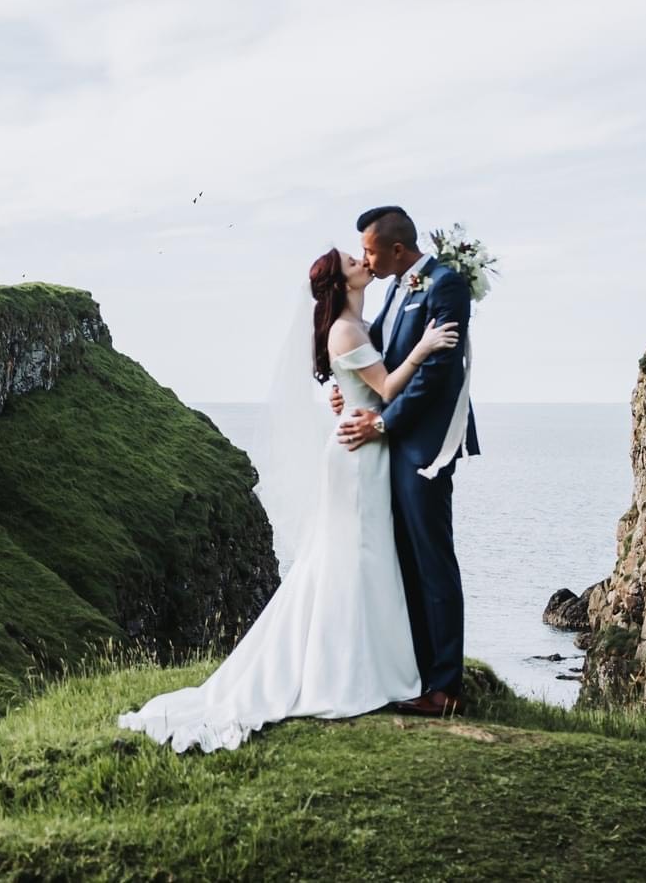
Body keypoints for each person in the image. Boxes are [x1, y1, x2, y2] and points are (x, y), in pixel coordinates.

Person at [115, 245, 458, 752]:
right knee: (353, 557)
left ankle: (368, 664)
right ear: (341, 284)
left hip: (363, 448)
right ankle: (348, 673)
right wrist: (425, 347)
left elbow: (360, 385)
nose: (364, 263)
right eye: (352, 262)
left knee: (361, 557)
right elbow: (385, 387)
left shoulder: (357, 325)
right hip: (357, 457)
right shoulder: (345, 328)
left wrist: (348, 394)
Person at [333, 204, 480, 715]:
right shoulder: (397, 285)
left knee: (432, 558)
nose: (366, 261)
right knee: (403, 558)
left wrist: (383, 422)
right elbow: (383, 358)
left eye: (370, 251)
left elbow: (437, 371)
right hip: (389, 444)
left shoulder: (445, 284)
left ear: (397, 249)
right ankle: (414, 673)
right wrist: (348, 393)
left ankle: (445, 688)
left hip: (424, 444)